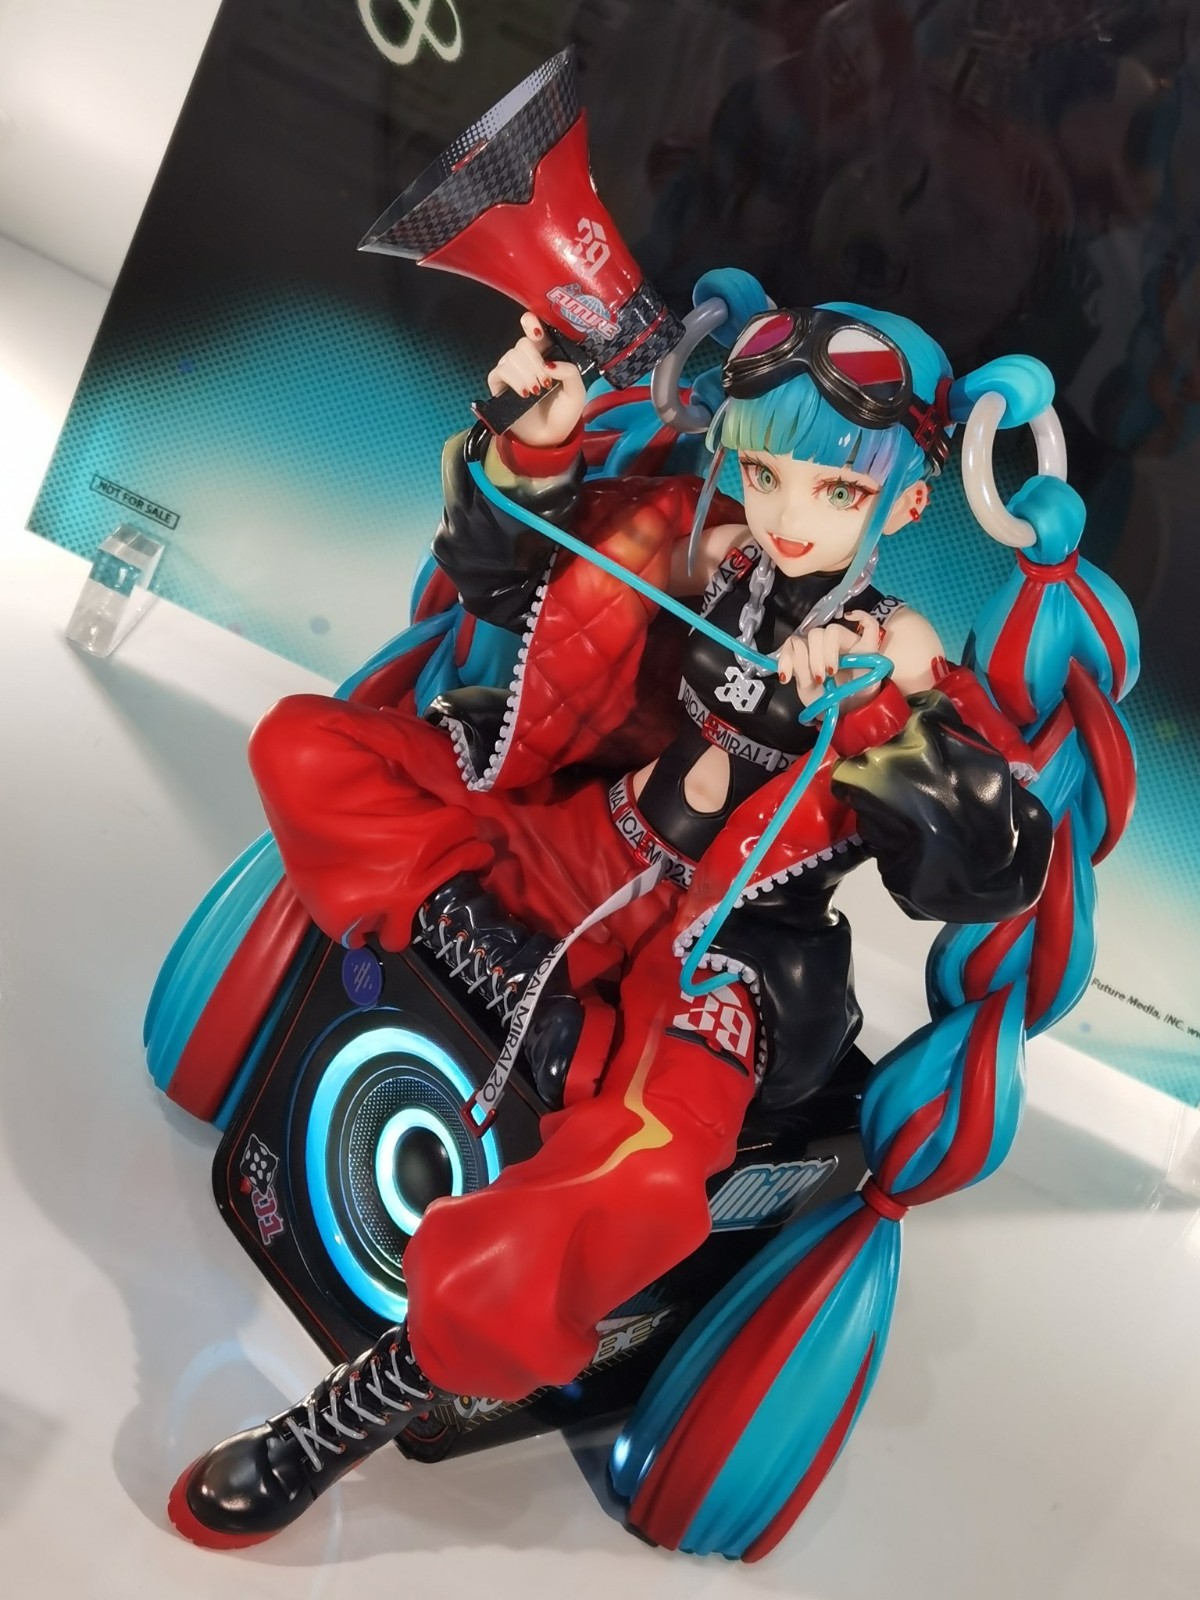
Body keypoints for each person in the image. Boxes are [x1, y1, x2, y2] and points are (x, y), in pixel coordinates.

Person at [167, 278, 1066, 1549]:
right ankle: (471, 947)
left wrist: (892, 704)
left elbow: (986, 874)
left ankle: (355, 1408)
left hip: (715, 954)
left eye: (837, 492)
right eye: (767, 474)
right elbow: (505, 580)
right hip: (588, 841)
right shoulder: (704, 541)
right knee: (309, 746)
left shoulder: (897, 651)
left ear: (906, 506)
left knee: (640, 1178)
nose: (789, 515)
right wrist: (533, 447)